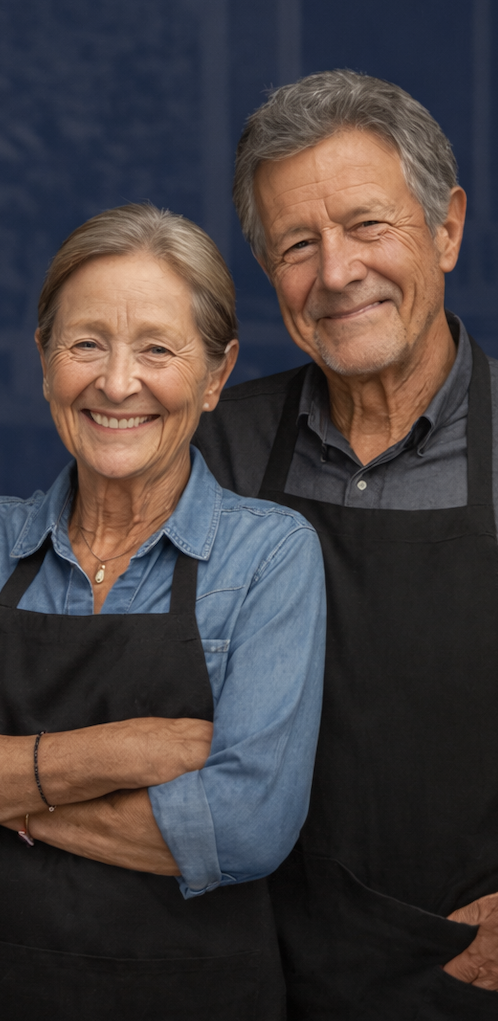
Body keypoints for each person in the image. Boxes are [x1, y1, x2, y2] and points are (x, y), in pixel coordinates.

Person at [0, 203, 325, 1021]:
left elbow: (246, 827)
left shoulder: (269, 557)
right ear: (44, 361)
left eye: (158, 349)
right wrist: (126, 749)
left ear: (216, 376)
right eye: (86, 344)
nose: (117, 382)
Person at [193, 70, 498, 1019]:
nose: (335, 273)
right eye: (297, 245)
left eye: (368, 225)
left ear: (446, 228)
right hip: (244, 962)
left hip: (455, 972)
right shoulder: (210, 449)